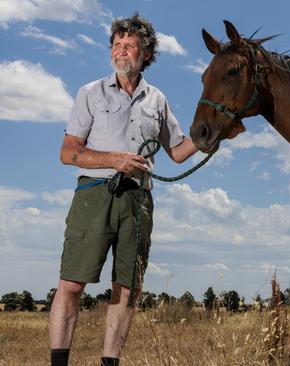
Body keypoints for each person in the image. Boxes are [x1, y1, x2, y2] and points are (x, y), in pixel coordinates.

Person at [48, 13, 198, 366]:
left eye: (130, 45)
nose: (121, 50)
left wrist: (213, 135)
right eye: (117, 44)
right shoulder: (90, 93)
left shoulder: (157, 100)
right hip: (94, 195)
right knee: (71, 284)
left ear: (146, 54)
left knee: (128, 290)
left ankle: (110, 362)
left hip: (138, 200)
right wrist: (114, 158)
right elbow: (68, 152)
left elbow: (177, 152)